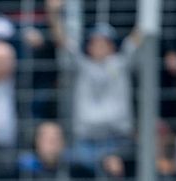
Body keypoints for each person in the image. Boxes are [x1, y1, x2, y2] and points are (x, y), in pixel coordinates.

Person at [47, 0, 143, 169]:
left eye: (104, 42)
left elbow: (137, 37)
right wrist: (54, 15)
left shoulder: (121, 63)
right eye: (95, 42)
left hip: (118, 141)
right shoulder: (81, 65)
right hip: (86, 144)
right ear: (89, 46)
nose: (99, 46)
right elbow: (62, 42)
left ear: (112, 46)